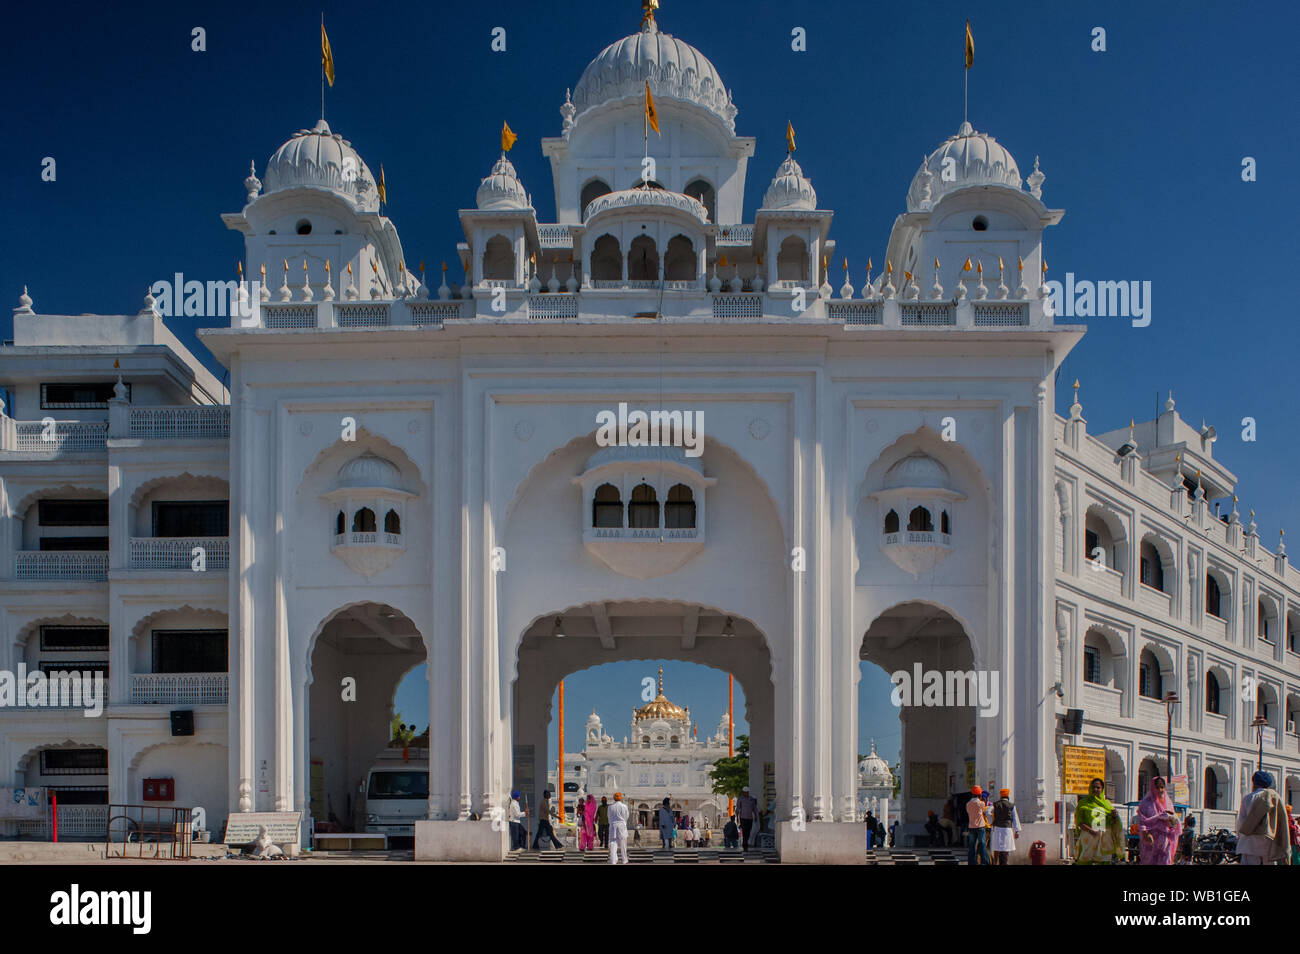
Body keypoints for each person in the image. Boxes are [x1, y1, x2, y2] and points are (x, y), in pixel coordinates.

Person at [1235, 771, 1291, 865]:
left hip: (1250, 839)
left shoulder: (1248, 798)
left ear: (1254, 783)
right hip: (1269, 838)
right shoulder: (1275, 797)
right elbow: (1281, 821)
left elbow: (1241, 822)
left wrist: (1241, 836)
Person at [1074, 777, 1123, 864]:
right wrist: (1091, 831)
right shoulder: (1083, 803)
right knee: (1085, 860)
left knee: (1104, 861)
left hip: (1104, 838)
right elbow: (1079, 822)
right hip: (1089, 836)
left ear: (1102, 789)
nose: (1095, 789)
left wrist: (1115, 816)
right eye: (1093, 787)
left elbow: (1113, 821)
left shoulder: (1107, 804)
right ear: (1090, 788)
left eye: (1098, 787)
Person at [1136, 776, 1179, 865]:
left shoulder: (1168, 803)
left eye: (1162, 787)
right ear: (1153, 787)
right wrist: (1145, 833)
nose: (1160, 790)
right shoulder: (1146, 803)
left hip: (1165, 840)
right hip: (1151, 841)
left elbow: (1174, 818)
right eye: (1157, 787)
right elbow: (1142, 819)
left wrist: (1172, 823)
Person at [990, 788, 1021, 865]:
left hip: (997, 828)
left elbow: (987, 812)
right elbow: (1015, 818)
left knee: (997, 848)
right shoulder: (1011, 805)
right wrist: (1017, 831)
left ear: (1000, 796)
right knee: (1005, 849)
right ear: (1008, 796)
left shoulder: (995, 804)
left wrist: (991, 822)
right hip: (1007, 829)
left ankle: (995, 863)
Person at [966, 786, 990, 865]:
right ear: (980, 794)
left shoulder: (968, 804)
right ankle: (985, 862)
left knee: (971, 846)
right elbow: (984, 810)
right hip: (980, 827)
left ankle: (972, 862)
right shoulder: (981, 803)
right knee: (982, 844)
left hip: (971, 827)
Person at [735, 786, 759, 852]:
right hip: (743, 818)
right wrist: (737, 818)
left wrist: (756, 816)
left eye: (747, 792)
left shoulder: (751, 799)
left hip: (750, 818)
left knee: (748, 832)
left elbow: (754, 808)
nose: (746, 793)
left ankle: (745, 843)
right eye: (745, 792)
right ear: (743, 793)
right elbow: (737, 809)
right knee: (744, 831)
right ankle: (745, 845)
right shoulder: (740, 799)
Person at [608, 792, 630, 864]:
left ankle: (613, 860)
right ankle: (624, 860)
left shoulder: (610, 807)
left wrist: (612, 823)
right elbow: (626, 816)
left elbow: (609, 817)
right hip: (621, 825)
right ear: (621, 798)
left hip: (613, 825)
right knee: (623, 844)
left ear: (614, 798)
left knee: (613, 843)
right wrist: (624, 823)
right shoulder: (624, 806)